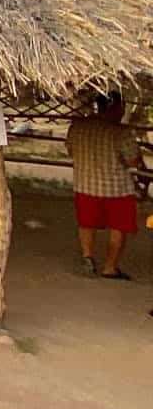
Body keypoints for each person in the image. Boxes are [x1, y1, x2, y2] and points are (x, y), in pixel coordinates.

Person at [65, 92, 144, 280]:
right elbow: (134, 161)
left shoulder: (78, 126)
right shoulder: (121, 132)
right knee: (118, 227)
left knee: (86, 223)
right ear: (115, 108)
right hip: (117, 189)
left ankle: (88, 257)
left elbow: (70, 150)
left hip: (85, 184)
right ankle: (110, 267)